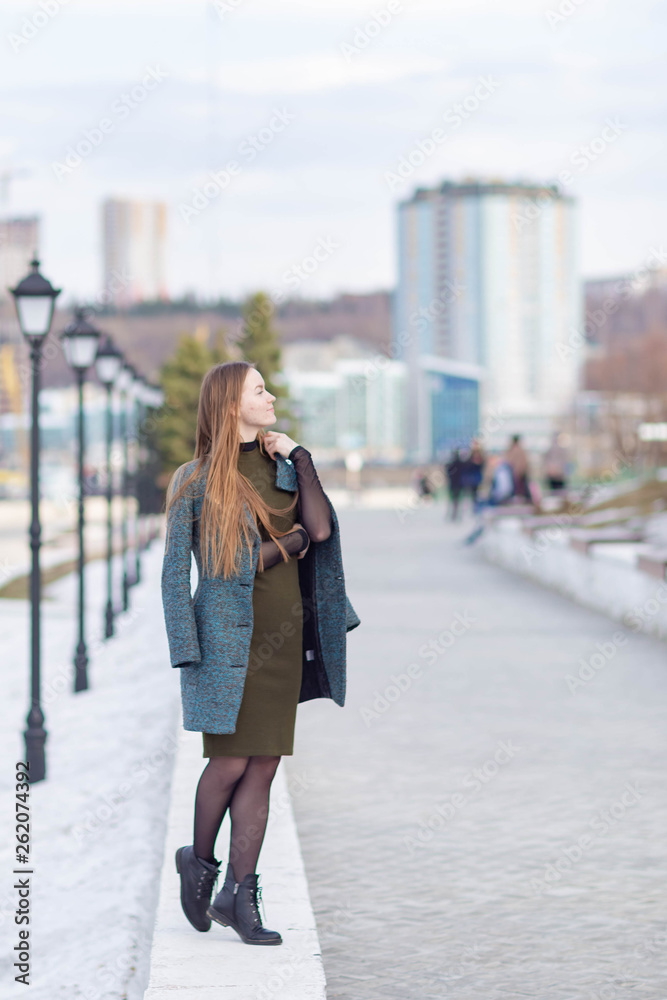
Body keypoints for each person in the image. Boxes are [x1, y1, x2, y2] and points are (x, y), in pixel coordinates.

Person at [161, 361, 360, 946]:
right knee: (229, 763)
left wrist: (301, 456)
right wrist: (186, 648)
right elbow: (193, 571)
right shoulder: (194, 480)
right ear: (231, 404)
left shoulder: (283, 469)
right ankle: (199, 866)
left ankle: (239, 894)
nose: (270, 396)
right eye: (259, 390)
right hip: (225, 644)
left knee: (264, 765)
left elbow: (319, 531)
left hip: (283, 639)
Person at [505, 434, 530, 499]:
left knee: (517, 488)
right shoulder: (520, 450)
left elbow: (509, 461)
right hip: (519, 472)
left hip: (515, 472)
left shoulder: (512, 450)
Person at [445, 449, 466, 521]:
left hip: (454, 484)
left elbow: (448, 472)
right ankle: (455, 514)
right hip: (458, 484)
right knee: (457, 501)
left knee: (453, 500)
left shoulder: (452, 464)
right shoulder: (460, 464)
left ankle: (454, 514)